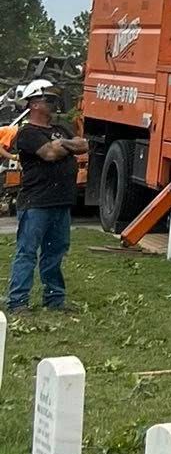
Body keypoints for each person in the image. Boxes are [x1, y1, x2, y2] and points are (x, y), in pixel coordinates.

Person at [7, 79, 87, 315]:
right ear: (33, 103)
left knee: (55, 252)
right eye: (48, 99)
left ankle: (54, 300)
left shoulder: (60, 129)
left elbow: (83, 145)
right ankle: (17, 302)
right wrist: (64, 146)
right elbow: (49, 154)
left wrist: (62, 142)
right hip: (36, 203)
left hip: (60, 202)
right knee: (27, 252)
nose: (53, 102)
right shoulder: (27, 133)